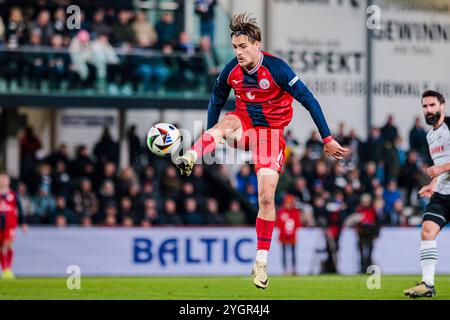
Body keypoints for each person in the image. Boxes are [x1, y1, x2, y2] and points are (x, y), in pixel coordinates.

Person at [175, 13, 348, 289]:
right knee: (228, 120)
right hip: (243, 126)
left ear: (257, 45)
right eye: (235, 47)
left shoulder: (278, 69)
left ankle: (260, 262)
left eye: (243, 46)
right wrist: (212, 136)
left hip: (270, 135)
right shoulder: (231, 70)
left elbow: (309, 100)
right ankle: (192, 155)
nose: (238, 52)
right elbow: (215, 99)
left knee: (266, 198)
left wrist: (327, 138)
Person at [404, 90, 449, 298]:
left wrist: (440, 170)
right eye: (425, 106)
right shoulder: (430, 135)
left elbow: (441, 167)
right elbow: (440, 167)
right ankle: (428, 285)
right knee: (427, 231)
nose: (428, 110)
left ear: (442, 105)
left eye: (432, 105)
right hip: (442, 194)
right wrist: (432, 183)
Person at [0, 173, 26, 279]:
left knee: (8, 244)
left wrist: (23, 222)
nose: (3, 181)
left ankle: (8, 269)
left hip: (10, 223)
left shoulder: (13, 194)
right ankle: (4, 269)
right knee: (1, 247)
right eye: (1, 179)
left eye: (5, 179)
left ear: (8, 181)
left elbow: (19, 208)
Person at [276, 194, 301, 276]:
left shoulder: (295, 212)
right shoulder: (281, 212)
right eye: (287, 203)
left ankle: (294, 269)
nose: (288, 205)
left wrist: (292, 232)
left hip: (292, 236)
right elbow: (279, 224)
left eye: (290, 203)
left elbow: (298, 224)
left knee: (293, 253)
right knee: (284, 253)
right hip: (283, 236)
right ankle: (285, 270)